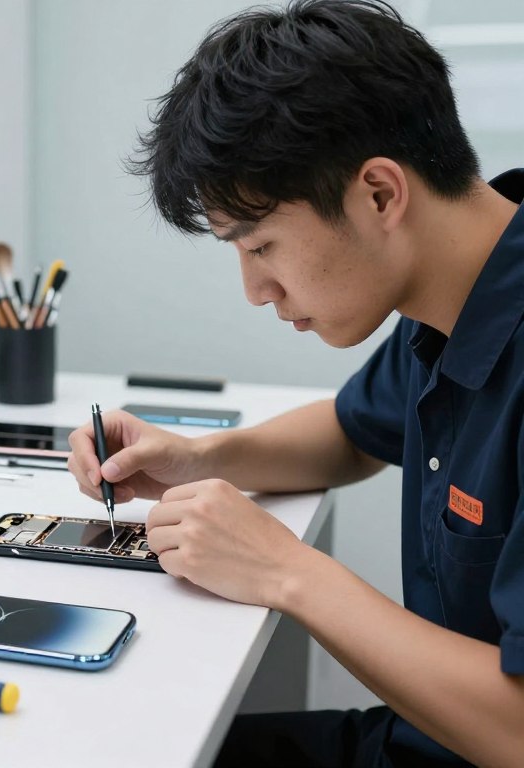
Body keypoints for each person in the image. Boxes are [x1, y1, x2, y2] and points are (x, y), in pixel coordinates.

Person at [66, 1, 524, 765]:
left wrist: (285, 571)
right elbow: (351, 433)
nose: (255, 291)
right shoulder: (454, 292)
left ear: (379, 194)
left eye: (261, 246)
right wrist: (195, 458)